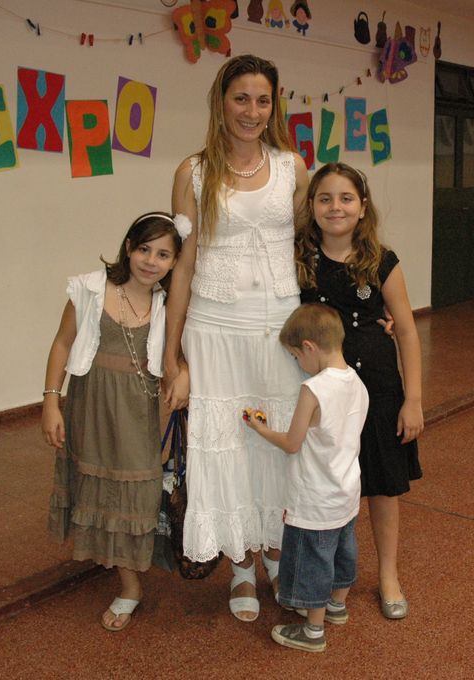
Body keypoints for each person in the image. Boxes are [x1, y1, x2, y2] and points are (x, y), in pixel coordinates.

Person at [163, 53, 310, 622]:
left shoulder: (293, 168)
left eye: (263, 100)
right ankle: (242, 567)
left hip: (279, 330)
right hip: (215, 329)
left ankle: (275, 552)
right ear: (221, 102)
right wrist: (174, 355)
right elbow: (182, 264)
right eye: (241, 98)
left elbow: (312, 248)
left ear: (275, 105)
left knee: (275, 441)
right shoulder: (193, 172)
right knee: (226, 442)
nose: (252, 111)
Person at [295, 162, 424, 620]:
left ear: (363, 206)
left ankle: (388, 575)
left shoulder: (381, 261)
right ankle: (324, 576)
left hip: (378, 389)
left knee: (382, 486)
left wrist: (413, 400)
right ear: (312, 206)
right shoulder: (300, 262)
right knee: (325, 484)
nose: (336, 207)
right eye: (325, 198)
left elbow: (405, 330)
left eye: (346, 198)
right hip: (322, 398)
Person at [42, 212, 181, 632]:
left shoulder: (170, 305)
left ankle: (132, 571)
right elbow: (62, 343)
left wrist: (186, 375)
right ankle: (128, 585)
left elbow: (185, 353)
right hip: (91, 408)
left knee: (136, 493)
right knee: (101, 491)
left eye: (163, 254)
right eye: (144, 249)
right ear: (128, 247)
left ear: (175, 262)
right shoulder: (89, 289)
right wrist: (51, 402)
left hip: (140, 413)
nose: (151, 261)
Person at [243, 303, 369, 653]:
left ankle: (313, 631)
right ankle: (337, 606)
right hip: (346, 490)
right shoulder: (357, 382)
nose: (298, 363)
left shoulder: (313, 390)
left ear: (310, 347)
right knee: (343, 550)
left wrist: (261, 429)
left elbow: (292, 443)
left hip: (314, 498)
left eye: (296, 356)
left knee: (313, 561)